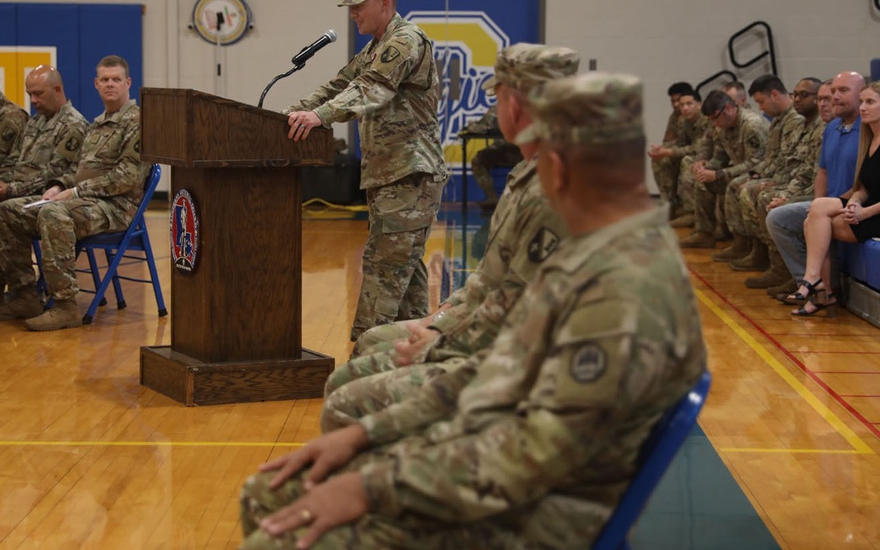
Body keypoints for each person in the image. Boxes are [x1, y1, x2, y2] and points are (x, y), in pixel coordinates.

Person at [238, 72, 707, 550]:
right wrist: (366, 435)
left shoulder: (624, 292)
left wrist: (372, 486)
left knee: (275, 532)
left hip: (539, 512)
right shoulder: (594, 253)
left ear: (561, 169)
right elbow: (495, 369)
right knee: (268, 492)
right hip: (496, 460)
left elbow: (533, 456)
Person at [320, 43, 578, 432]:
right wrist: (437, 320)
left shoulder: (554, 191)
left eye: (499, 95)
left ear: (517, 107)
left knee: (344, 398)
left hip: (530, 368)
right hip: (502, 340)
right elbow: (489, 283)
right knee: (375, 340)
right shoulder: (532, 173)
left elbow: (521, 315)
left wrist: (439, 340)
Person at [285, 0, 447, 341]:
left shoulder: (404, 41)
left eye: (359, 5)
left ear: (384, 1)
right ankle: (415, 354)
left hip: (409, 174)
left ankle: (364, 360)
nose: (353, 14)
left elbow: (372, 89)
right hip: (390, 175)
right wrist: (289, 114)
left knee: (384, 271)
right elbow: (339, 85)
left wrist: (318, 117)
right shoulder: (375, 47)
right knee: (404, 274)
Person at [0, 56, 149, 331]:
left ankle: (65, 305)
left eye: (116, 79)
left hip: (116, 207)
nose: (110, 85)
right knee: (7, 212)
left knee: (53, 213)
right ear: (96, 84)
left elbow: (127, 178)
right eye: (104, 80)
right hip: (84, 200)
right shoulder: (98, 124)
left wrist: (74, 191)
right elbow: (78, 169)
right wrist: (59, 186)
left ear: (128, 83)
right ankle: (25, 296)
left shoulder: (139, 123)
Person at [0, 65, 88, 313]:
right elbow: (13, 160)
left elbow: (54, 176)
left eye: (38, 94)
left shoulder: (73, 126)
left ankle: (23, 293)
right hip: (17, 192)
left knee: (2, 213)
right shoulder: (35, 123)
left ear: (57, 90)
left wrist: (11, 189)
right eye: (30, 94)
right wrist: (0, 183)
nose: (33, 100)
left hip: (47, 198)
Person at [765, 72, 864, 299]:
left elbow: (866, 183)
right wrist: (817, 202)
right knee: (778, 218)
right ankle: (810, 284)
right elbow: (823, 171)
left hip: (851, 202)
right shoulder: (831, 127)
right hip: (828, 200)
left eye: (843, 91)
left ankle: (819, 289)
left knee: (818, 220)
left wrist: (833, 205)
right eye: (833, 92)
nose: (835, 97)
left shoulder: (867, 129)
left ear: (861, 94)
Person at [787, 80, 880, 317]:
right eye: (862, 102)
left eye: (870, 102)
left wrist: (864, 212)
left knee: (815, 223)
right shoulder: (868, 138)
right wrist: (854, 202)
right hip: (868, 206)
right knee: (818, 209)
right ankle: (816, 283)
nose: (863, 108)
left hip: (876, 213)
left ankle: (819, 287)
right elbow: (863, 187)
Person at [713, 75, 804, 268]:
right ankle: (752, 247)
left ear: (774, 94)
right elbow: (771, 158)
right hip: (776, 173)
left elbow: (792, 162)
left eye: (761, 102)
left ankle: (774, 261)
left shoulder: (794, 119)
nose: (760, 107)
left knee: (753, 192)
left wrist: (766, 179)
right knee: (741, 186)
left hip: (791, 179)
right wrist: (757, 175)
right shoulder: (779, 120)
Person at [743, 77, 825, 289]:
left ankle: (785, 270)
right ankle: (772, 261)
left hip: (820, 195)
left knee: (767, 199)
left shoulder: (822, 128)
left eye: (804, 95)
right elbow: (793, 164)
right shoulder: (803, 124)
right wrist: (778, 186)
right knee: (753, 190)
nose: (797, 99)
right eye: (795, 94)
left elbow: (811, 174)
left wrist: (787, 195)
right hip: (801, 186)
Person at [679, 90, 769, 248]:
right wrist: (705, 167)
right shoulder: (722, 127)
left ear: (728, 108)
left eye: (715, 118)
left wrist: (718, 174)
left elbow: (755, 163)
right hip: (739, 170)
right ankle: (704, 233)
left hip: (761, 173)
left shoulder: (751, 124)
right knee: (702, 181)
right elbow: (720, 157)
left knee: (735, 185)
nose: (714, 124)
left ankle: (742, 242)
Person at [651, 89, 708, 226]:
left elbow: (698, 148)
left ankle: (692, 212)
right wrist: (663, 150)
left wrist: (669, 152)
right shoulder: (684, 121)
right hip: (692, 155)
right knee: (661, 160)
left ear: (699, 104)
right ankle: (669, 207)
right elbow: (680, 144)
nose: (684, 108)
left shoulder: (707, 119)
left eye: (689, 104)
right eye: (682, 105)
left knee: (686, 161)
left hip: (706, 157)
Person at [463, 105, 522, 211]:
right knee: (478, 160)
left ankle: (521, 199)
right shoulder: (496, 109)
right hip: (500, 150)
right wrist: (473, 127)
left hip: (520, 151)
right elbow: (482, 126)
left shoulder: (528, 108)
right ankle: (492, 198)